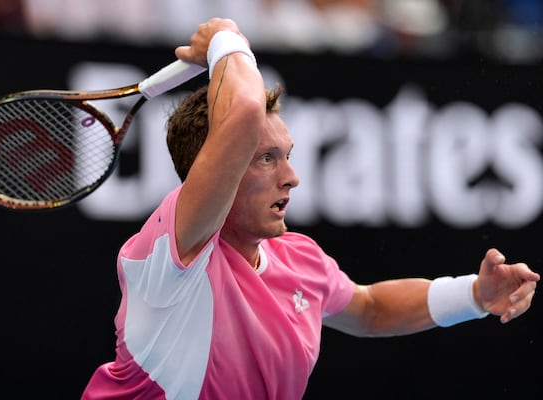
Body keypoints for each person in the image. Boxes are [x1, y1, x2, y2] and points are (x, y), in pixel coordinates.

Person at [80, 17, 540, 400]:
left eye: (288, 155)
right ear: (218, 167)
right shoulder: (171, 254)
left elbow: (372, 308)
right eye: (266, 158)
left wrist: (474, 297)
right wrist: (226, 38)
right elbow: (241, 111)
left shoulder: (300, 260)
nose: (291, 176)